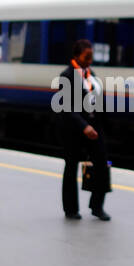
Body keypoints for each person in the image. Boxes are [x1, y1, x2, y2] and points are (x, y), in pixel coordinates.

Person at [55, 39, 111, 220]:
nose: (90, 60)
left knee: (102, 164)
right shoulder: (67, 76)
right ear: (77, 56)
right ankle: (71, 209)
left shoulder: (91, 74)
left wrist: (100, 126)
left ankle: (97, 206)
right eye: (87, 56)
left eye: (91, 56)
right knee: (71, 168)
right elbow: (65, 107)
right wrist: (83, 126)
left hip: (94, 128)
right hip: (73, 130)